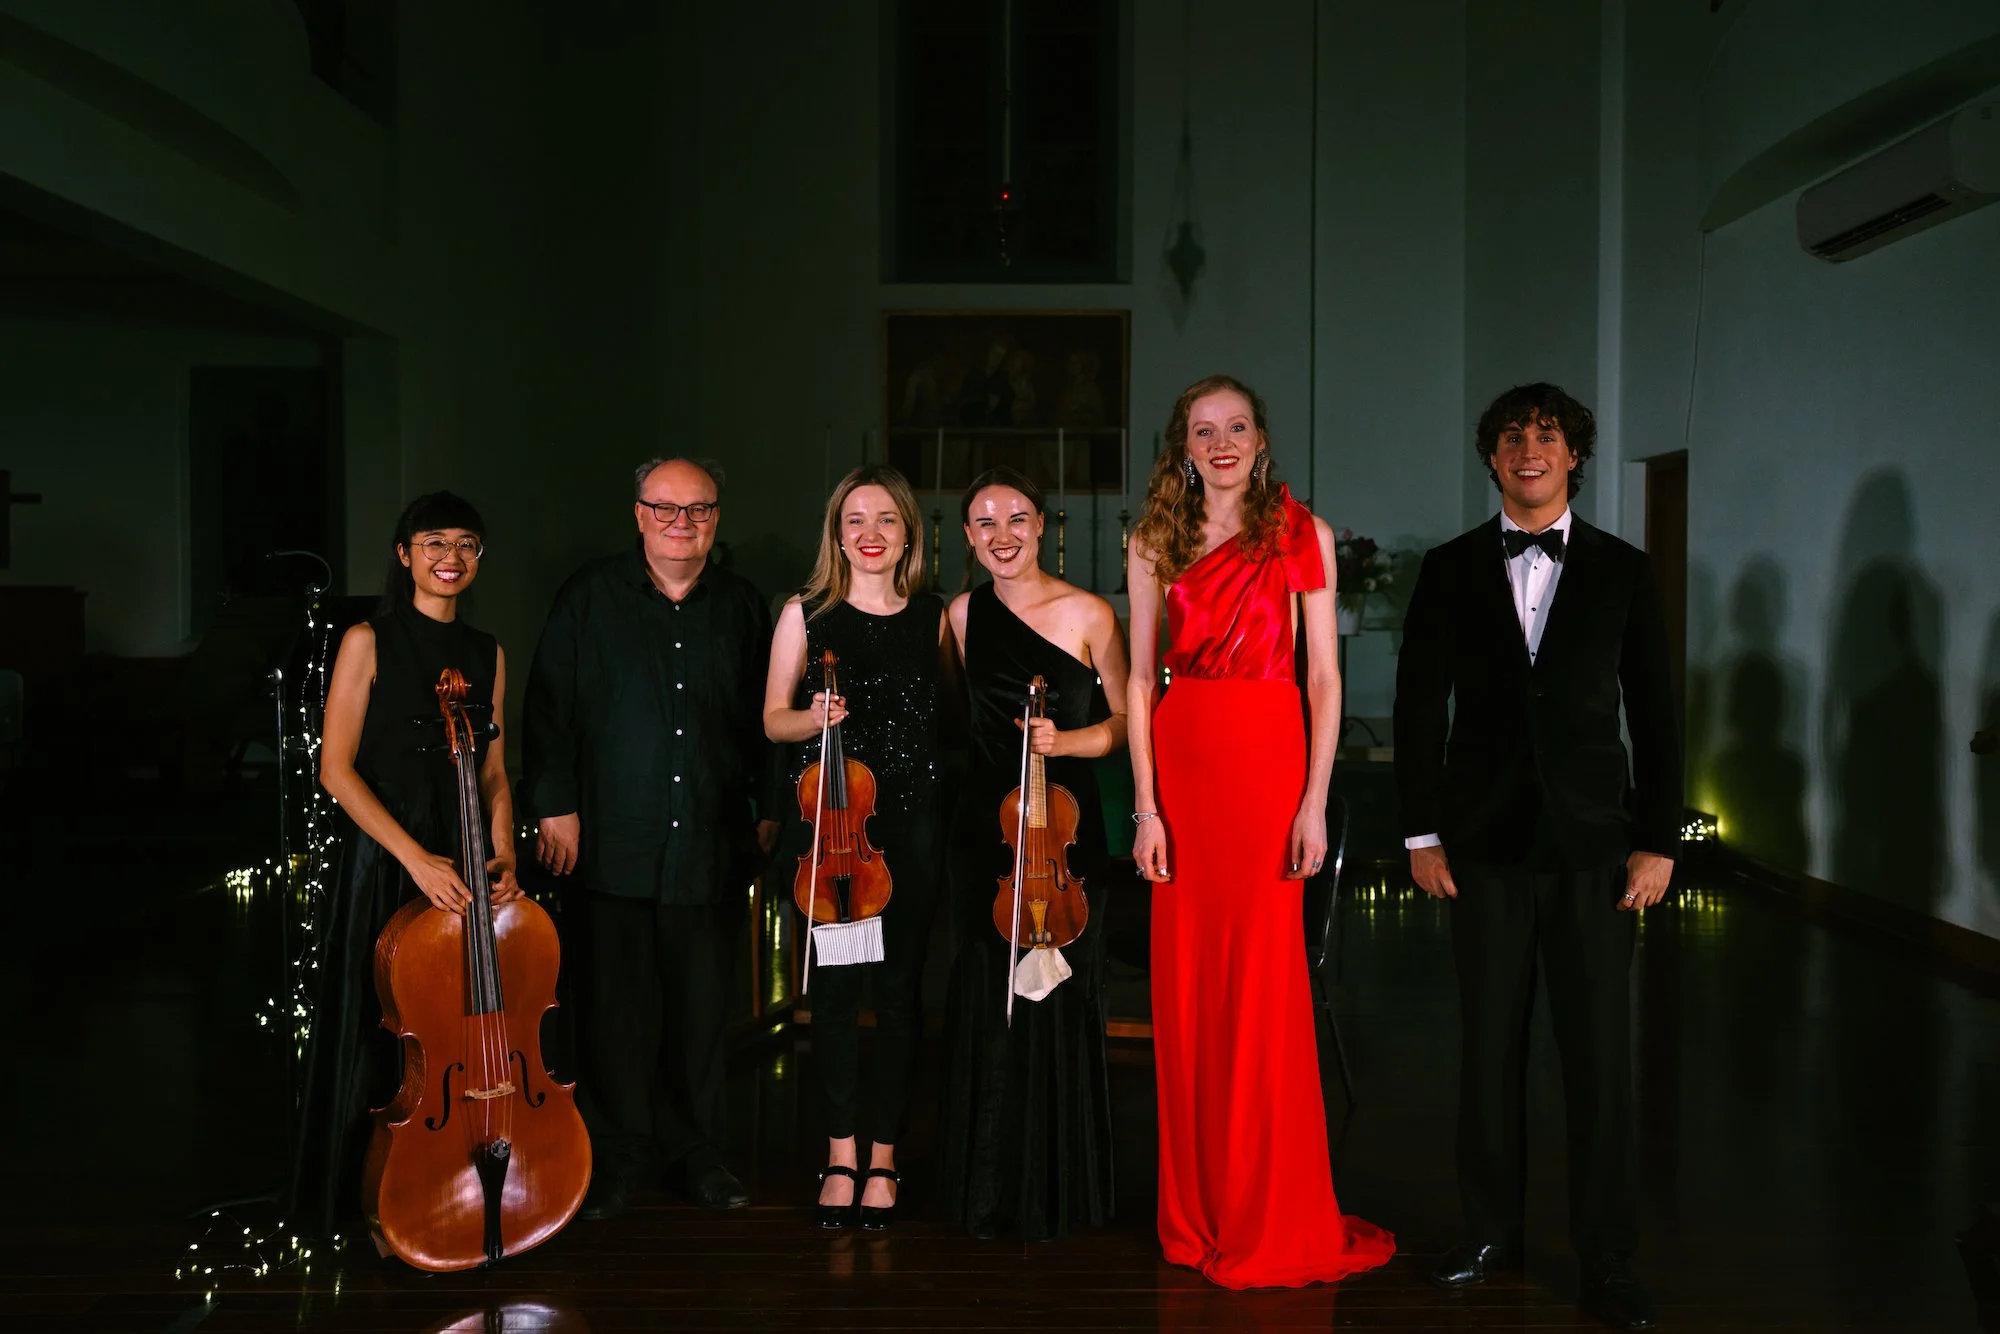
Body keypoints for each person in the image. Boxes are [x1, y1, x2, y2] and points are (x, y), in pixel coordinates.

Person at [1395, 383, 1679, 1331]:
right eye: (1512, 437)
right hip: (1481, 851)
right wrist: (1422, 832)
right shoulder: (1446, 570)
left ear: (1573, 457)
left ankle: (1607, 1259)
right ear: (1491, 458)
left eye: (1547, 437)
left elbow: (1657, 712)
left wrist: (1657, 838)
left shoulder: (1626, 571)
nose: (1529, 450)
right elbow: (1414, 708)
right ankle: (1489, 1233)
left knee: (1599, 1059)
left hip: (1598, 850)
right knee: (1488, 1050)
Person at [1127, 374, 1394, 1289]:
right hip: (1186, 766)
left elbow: (1325, 681)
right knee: (1190, 986)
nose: (1223, 441)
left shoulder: (1301, 534)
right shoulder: (1152, 538)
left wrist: (1314, 801)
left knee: (1263, 987)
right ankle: (1198, 1209)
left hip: (1269, 763)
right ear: (1184, 445)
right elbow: (1133, 684)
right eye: (1205, 429)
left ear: (1261, 437)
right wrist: (1146, 806)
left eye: (1237, 425)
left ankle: (1264, 1207)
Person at [522, 457, 778, 1220]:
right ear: (637, 514)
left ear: (716, 520)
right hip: (610, 841)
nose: (681, 522)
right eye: (665, 508)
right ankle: (614, 1157)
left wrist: (767, 807)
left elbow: (766, 715)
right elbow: (548, 709)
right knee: (611, 1012)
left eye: (698, 510)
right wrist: (554, 806)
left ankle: (696, 1153)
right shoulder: (589, 597)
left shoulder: (741, 606)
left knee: (701, 1012)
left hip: (709, 841)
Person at [287, 492, 518, 1239]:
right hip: (390, 858)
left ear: (479, 558)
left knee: (466, 1025)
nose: (450, 557)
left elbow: (492, 772)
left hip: (465, 859)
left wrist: (503, 848)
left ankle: (459, 1188)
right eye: (433, 543)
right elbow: (336, 769)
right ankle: (370, 1203)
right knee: (380, 1028)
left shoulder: (489, 652)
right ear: (404, 555)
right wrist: (415, 858)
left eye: (466, 544)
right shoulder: (367, 639)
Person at [937, 466, 1129, 1241]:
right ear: (967, 537)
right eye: (985, 523)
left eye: (1016, 519)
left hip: (1067, 830)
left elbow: (1126, 722)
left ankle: (1061, 1190)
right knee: (990, 1000)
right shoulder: (958, 613)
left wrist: (1065, 739)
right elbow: (957, 727)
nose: (1002, 535)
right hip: (987, 832)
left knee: (1063, 997)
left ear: (1043, 524)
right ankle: (984, 1191)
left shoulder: (1088, 611)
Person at [763, 465, 949, 1230]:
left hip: (915, 832)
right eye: (854, 521)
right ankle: (840, 1152)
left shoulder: (936, 616)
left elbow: (955, 725)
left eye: (886, 522)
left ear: (908, 531)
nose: (870, 536)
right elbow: (773, 718)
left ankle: (885, 1155)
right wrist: (813, 719)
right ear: (835, 534)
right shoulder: (805, 614)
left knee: (901, 999)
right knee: (837, 1000)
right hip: (841, 839)